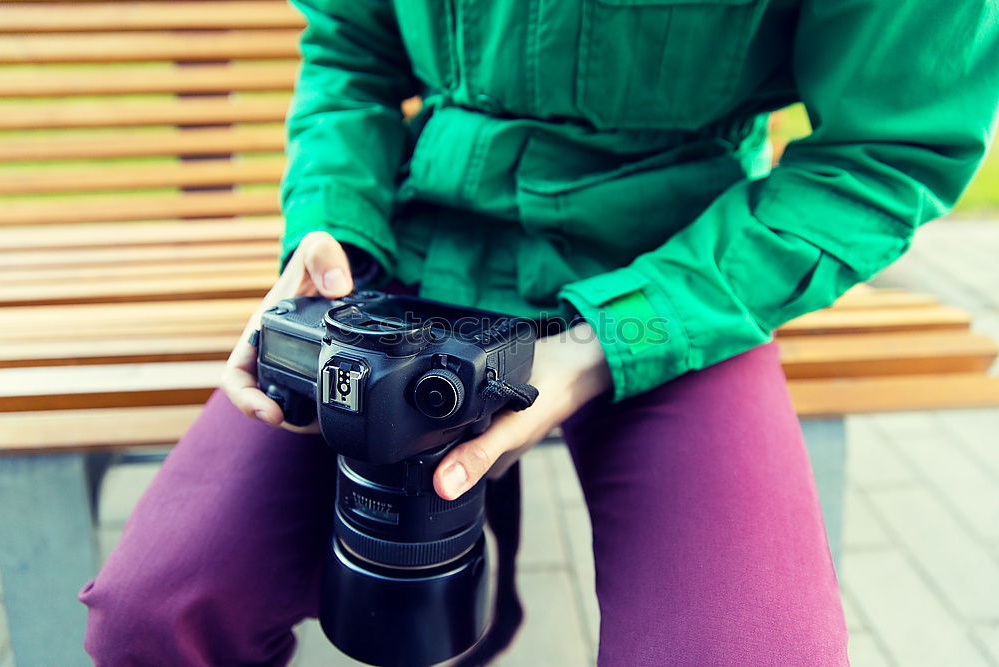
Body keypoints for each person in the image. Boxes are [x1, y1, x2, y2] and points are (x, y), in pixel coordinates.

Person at [79, 1, 998, 665]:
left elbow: (888, 149)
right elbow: (351, 50)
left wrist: (605, 342)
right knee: (154, 616)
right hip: (404, 260)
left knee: (744, 649)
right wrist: (331, 231)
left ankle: (485, 543)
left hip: (674, 279)